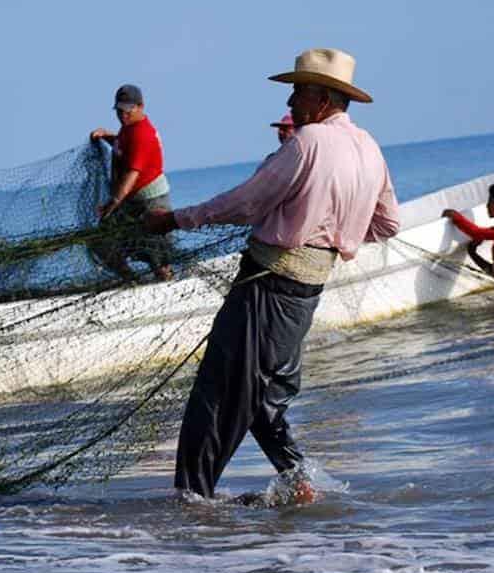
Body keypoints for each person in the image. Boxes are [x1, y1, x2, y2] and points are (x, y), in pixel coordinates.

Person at [144, 48, 400, 502]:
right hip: (305, 292)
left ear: (323, 99)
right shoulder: (369, 148)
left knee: (218, 394)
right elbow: (386, 225)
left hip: (267, 286)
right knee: (262, 397)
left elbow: (247, 203)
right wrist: (336, 231)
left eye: (298, 92)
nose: (292, 103)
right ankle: (301, 482)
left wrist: (176, 219)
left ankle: (192, 503)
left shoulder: (308, 143)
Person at [89, 84, 175, 281]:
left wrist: (114, 202)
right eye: (119, 110)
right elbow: (123, 146)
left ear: (141, 106)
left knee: (157, 254)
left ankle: (168, 285)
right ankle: (132, 281)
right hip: (131, 202)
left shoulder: (142, 133)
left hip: (151, 201)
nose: (123, 115)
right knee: (100, 242)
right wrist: (107, 136)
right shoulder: (128, 129)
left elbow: (132, 174)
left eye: (128, 110)